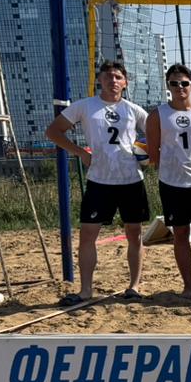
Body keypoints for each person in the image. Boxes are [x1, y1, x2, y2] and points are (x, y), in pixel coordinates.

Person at [45, 59, 150, 304]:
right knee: (88, 235)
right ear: (100, 80)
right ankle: (85, 291)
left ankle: (134, 287)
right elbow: (53, 131)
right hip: (99, 180)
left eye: (118, 77)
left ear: (125, 83)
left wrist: (149, 153)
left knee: (134, 234)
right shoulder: (85, 106)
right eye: (108, 76)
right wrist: (80, 152)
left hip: (130, 179)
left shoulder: (134, 110)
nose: (113, 80)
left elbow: (157, 134)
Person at [146, 64, 191, 296]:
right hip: (171, 184)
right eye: (174, 83)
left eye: (184, 83)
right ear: (168, 86)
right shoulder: (157, 115)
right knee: (180, 234)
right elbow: (153, 153)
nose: (180, 87)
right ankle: (188, 286)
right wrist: (171, 169)